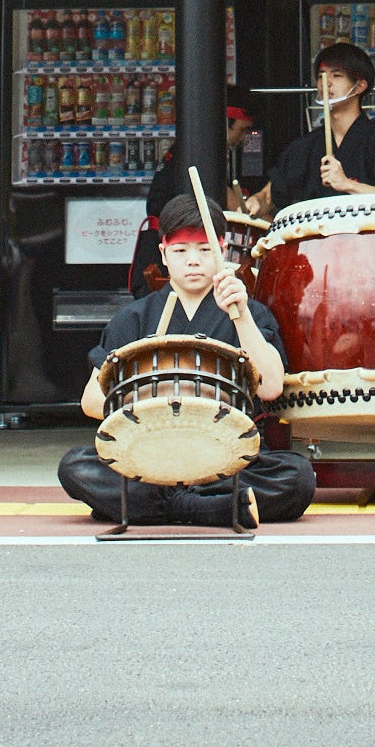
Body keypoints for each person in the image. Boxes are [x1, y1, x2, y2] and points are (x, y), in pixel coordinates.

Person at [63, 195, 314, 527]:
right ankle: (209, 508)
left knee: (297, 477)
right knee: (74, 466)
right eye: (181, 252)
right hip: (151, 455)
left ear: (222, 251)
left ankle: (153, 506)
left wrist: (239, 318)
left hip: (227, 455)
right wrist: (151, 400)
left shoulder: (250, 313)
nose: (193, 261)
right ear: (164, 255)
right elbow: (91, 399)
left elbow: (270, 387)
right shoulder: (135, 318)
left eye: (204, 250)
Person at [246, 42, 375, 218]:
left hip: (367, 242)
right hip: (313, 243)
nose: (326, 83)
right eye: (321, 76)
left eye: (337, 75)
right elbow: (267, 197)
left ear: (359, 86)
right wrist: (255, 202)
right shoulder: (303, 147)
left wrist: (347, 184)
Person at [127, 90, 258, 293]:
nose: (243, 138)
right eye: (241, 130)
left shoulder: (198, 146)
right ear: (225, 124)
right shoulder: (202, 151)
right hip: (169, 247)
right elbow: (234, 204)